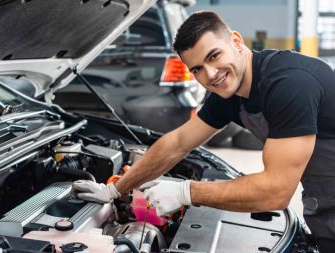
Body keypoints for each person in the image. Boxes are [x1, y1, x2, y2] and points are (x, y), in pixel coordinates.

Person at [73, 11, 335, 252]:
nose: (210, 75)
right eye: (197, 69)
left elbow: (276, 191)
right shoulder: (229, 94)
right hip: (324, 205)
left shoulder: (289, 84)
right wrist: (115, 191)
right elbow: (177, 142)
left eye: (213, 56)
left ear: (236, 41)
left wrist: (185, 192)